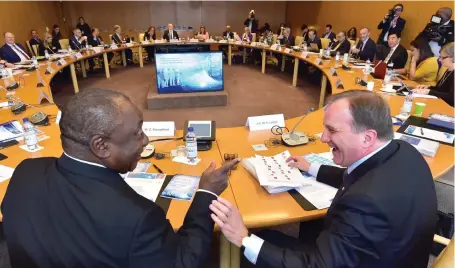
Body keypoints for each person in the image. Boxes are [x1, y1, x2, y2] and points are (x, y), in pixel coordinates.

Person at [2, 88, 240, 267]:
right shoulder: (138, 217)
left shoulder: (25, 172)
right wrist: (206, 193)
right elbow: (183, 260)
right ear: (101, 146)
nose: (145, 140)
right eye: (137, 132)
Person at [210, 90, 437, 267]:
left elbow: (316, 265)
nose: (323, 137)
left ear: (368, 138)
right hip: (397, 255)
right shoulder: (403, 151)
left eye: (332, 130)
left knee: (259, 241)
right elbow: (360, 174)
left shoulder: (365, 204)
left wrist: (244, 238)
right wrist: (312, 168)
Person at [414, 42, 454, 106]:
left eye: (443, 58)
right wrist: (428, 87)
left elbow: (452, 98)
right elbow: (441, 90)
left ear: (452, 57)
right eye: (439, 57)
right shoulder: (449, 70)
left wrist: (429, 92)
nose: (440, 60)